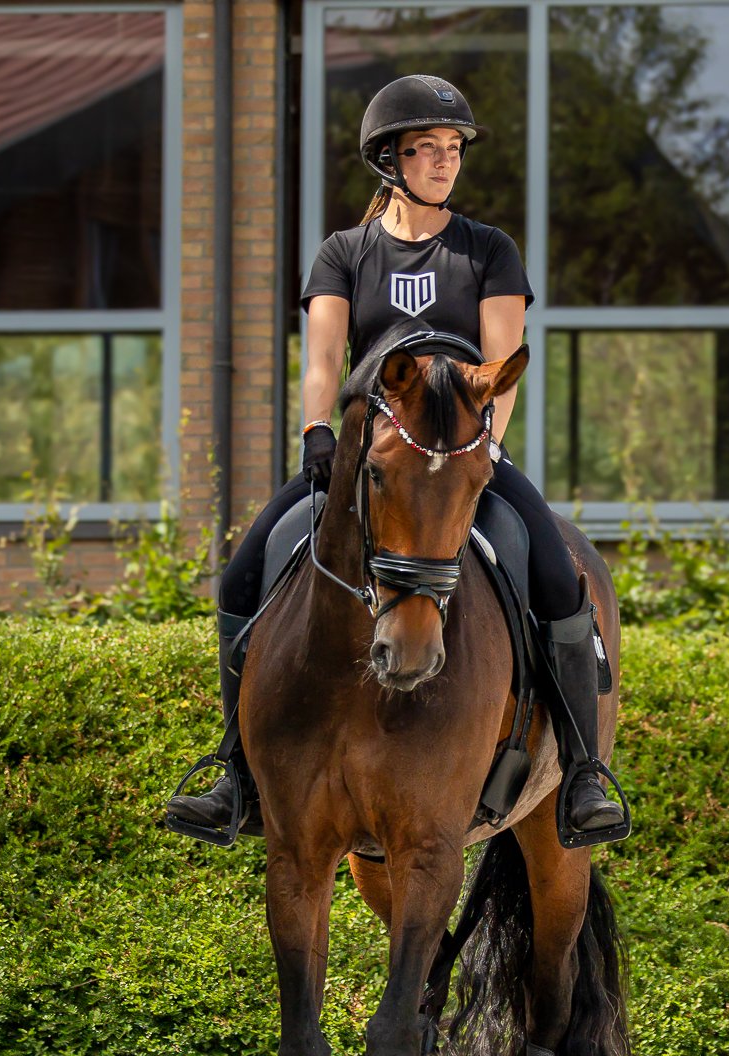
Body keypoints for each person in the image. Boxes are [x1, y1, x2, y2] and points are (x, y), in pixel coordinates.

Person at [167, 74, 631, 850]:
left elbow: (501, 362)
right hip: (367, 460)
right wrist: (317, 429)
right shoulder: (345, 253)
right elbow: (322, 355)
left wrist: (479, 444)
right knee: (245, 568)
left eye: (453, 150)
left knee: (554, 569)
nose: (446, 163)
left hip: (461, 455)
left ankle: (582, 772)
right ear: (390, 159)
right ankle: (235, 771)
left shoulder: (488, 249)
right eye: (428, 150)